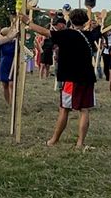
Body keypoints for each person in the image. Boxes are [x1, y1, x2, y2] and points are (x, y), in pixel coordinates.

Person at [22, 8, 100, 148]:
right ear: (85, 21)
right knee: (84, 110)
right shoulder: (89, 35)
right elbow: (98, 29)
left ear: (71, 20)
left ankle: (54, 140)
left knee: (64, 109)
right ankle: (80, 143)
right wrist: (99, 19)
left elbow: (44, 32)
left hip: (71, 78)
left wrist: (28, 22)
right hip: (87, 77)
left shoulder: (66, 34)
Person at [0, 27, 19, 108]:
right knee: (5, 85)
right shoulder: (2, 43)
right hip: (4, 64)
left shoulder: (15, 43)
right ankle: (8, 102)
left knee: (11, 84)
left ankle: (12, 103)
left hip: (12, 64)